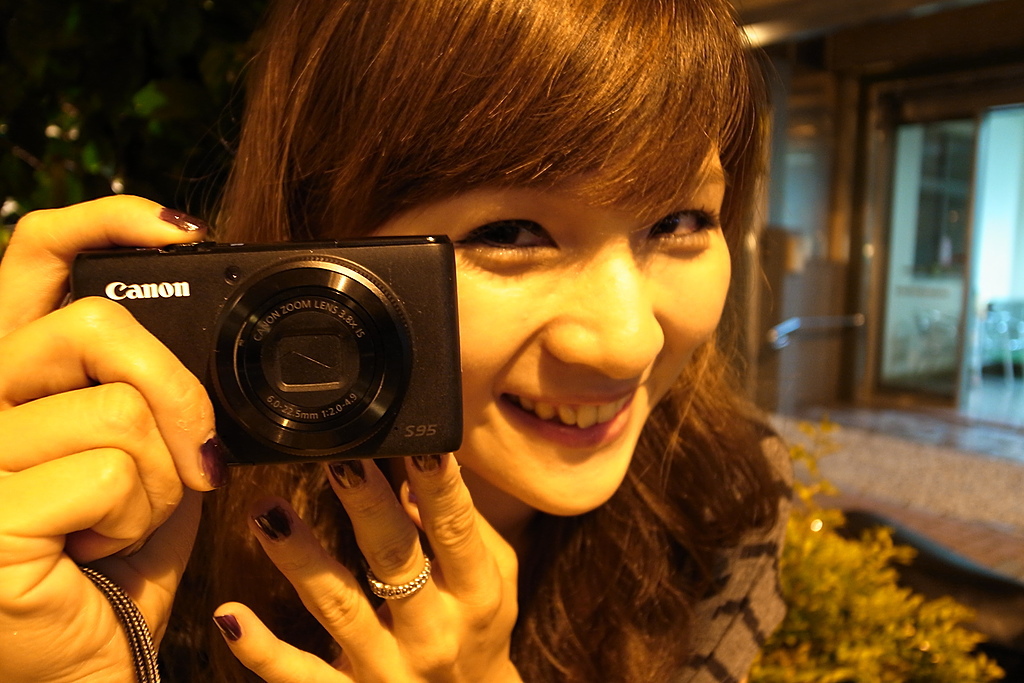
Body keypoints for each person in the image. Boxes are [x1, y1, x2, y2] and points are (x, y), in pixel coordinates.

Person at [0, 0, 791, 680]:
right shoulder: (140, 534)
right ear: (318, 243)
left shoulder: (718, 496)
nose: (627, 342)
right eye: (511, 233)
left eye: (680, 221)